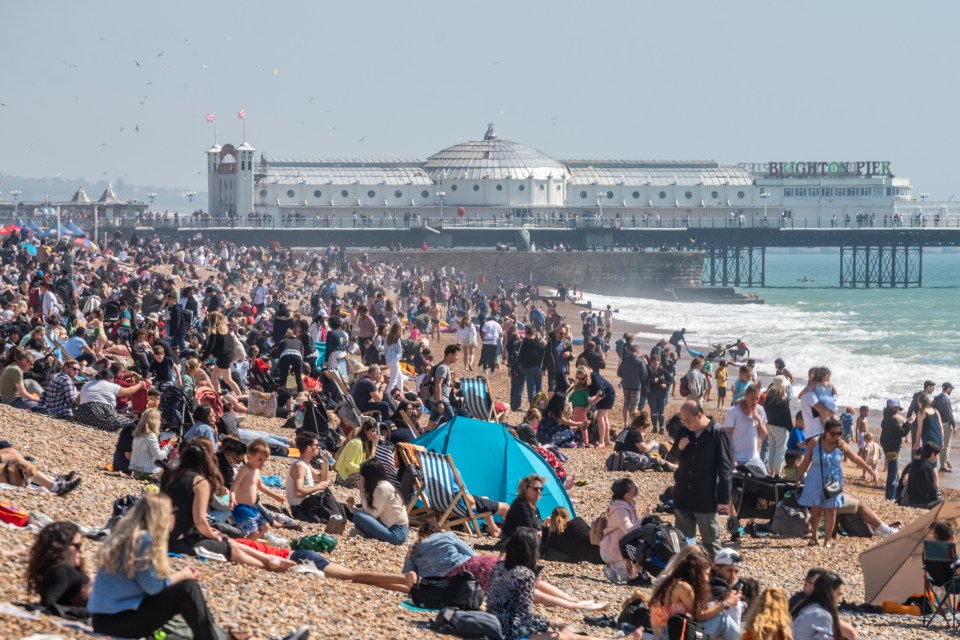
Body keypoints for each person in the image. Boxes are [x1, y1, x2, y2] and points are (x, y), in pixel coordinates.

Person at [486, 528, 640, 640]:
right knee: (563, 636)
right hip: (511, 634)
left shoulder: (499, 567)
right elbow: (526, 619)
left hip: (495, 626)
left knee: (566, 634)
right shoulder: (524, 575)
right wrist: (551, 623)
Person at [795, 418, 878, 547]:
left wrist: (870, 470)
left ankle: (827, 540)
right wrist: (798, 477)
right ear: (825, 431)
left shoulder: (841, 444)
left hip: (833, 482)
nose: (836, 436)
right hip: (815, 481)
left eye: (839, 433)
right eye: (833, 433)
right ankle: (814, 536)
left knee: (831, 511)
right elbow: (806, 462)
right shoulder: (815, 442)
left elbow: (855, 458)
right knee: (816, 513)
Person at [668, 401, 732, 559]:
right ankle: (687, 576)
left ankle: (716, 578)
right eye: (683, 420)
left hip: (706, 497)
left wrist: (723, 498)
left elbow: (725, 467)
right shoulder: (684, 431)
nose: (686, 424)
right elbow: (672, 457)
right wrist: (679, 448)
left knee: (711, 543)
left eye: (688, 420)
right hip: (683, 495)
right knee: (684, 543)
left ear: (700, 415)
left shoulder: (717, 433)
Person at [648, 545, 739, 640]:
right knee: (722, 619)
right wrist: (725, 603)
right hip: (672, 635)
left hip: (666, 634)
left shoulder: (673, 582)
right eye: (707, 574)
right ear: (696, 572)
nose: (708, 579)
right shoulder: (683, 587)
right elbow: (700, 615)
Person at [26, 521, 91, 610]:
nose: (82, 550)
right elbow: (47, 604)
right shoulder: (63, 570)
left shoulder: (53, 569)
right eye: (78, 545)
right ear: (62, 547)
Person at [231, 438, 286, 541]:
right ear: (249, 457)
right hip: (242, 507)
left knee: (265, 527)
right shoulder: (245, 470)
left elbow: (261, 487)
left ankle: (248, 544)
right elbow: (235, 484)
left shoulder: (257, 471)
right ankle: (244, 547)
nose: (263, 463)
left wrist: (276, 496)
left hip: (252, 507)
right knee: (254, 531)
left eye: (265, 460)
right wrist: (232, 497)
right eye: (260, 460)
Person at [346, 459, 409, 545]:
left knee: (358, 517)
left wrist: (362, 493)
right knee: (358, 517)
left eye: (362, 478)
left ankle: (364, 534)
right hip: (392, 528)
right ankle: (364, 534)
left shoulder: (382, 488)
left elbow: (371, 515)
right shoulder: (380, 486)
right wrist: (351, 508)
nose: (361, 480)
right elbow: (368, 512)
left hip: (396, 533)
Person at [286, 431, 336, 522]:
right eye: (316, 445)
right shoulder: (299, 466)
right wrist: (318, 486)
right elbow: (298, 492)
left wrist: (325, 461)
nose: (319, 447)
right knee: (329, 501)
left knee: (334, 503)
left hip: (306, 504)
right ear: (309, 448)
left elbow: (321, 479)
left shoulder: (305, 464)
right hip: (301, 508)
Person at [75, 368, 145, 432]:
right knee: (130, 423)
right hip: (101, 412)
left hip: (82, 415)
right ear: (109, 378)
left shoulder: (86, 384)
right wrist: (140, 384)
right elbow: (129, 391)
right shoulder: (111, 385)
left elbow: (77, 401)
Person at [599, 478, 640, 582]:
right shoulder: (620, 510)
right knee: (628, 578)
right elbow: (629, 530)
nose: (636, 490)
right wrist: (646, 517)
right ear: (626, 495)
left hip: (620, 548)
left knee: (632, 575)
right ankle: (611, 567)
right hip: (611, 550)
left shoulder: (628, 504)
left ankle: (615, 567)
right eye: (633, 489)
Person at [724, 384, 768, 473]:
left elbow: (763, 436)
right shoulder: (733, 411)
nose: (755, 401)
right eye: (752, 398)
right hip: (736, 457)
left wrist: (758, 419)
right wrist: (732, 458)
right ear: (746, 396)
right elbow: (726, 437)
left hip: (753, 457)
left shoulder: (760, 410)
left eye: (757, 398)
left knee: (764, 479)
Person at [790, 571, 847, 640]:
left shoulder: (805, 607)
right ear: (829, 593)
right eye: (839, 594)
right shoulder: (822, 615)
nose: (841, 600)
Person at [199, 311, 242, 396]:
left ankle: (240, 395)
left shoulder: (214, 332)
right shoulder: (225, 331)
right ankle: (217, 393)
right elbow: (230, 344)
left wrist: (202, 358)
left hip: (223, 358)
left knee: (228, 379)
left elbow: (210, 347)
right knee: (214, 375)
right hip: (227, 356)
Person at [129, 408, 177, 476]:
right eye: (159, 420)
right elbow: (159, 456)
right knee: (174, 470)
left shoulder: (138, 435)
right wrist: (169, 445)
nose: (160, 422)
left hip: (136, 471)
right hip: (146, 472)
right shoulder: (150, 436)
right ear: (154, 421)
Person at [500, 474, 546, 543]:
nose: (539, 491)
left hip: (527, 541)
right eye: (536, 489)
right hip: (514, 545)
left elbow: (538, 527)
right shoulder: (520, 505)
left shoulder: (533, 507)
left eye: (541, 489)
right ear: (525, 489)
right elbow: (530, 530)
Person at [879, 398, 909, 500]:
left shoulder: (886, 418)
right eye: (898, 409)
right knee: (893, 473)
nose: (899, 411)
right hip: (892, 449)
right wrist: (909, 423)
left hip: (888, 448)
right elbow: (903, 432)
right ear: (894, 408)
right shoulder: (892, 420)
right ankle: (891, 496)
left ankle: (890, 495)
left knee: (893, 472)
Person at [333, 419, 378, 487]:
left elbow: (369, 461)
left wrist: (374, 446)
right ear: (365, 431)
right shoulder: (357, 443)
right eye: (372, 431)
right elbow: (348, 464)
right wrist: (364, 469)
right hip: (345, 477)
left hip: (352, 475)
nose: (375, 434)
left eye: (375, 431)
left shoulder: (365, 444)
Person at [764, 375, 793, 476]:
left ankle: (771, 471)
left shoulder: (768, 398)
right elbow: (787, 416)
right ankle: (777, 472)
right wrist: (791, 429)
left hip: (770, 425)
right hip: (780, 428)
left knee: (772, 447)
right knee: (781, 449)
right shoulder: (783, 400)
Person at [426, 344, 460, 430]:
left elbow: (441, 384)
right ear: (450, 355)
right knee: (453, 423)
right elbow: (438, 384)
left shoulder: (444, 367)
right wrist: (440, 402)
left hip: (435, 400)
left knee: (431, 425)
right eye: (456, 355)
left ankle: (422, 441)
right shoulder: (443, 368)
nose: (457, 357)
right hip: (441, 400)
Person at [901, 442, 943, 509]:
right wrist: (936, 499)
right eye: (937, 455)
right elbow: (931, 489)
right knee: (943, 502)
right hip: (922, 503)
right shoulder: (928, 467)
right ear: (932, 454)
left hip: (911, 501)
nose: (937, 458)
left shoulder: (914, 464)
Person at [618, 344, 649, 424]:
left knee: (626, 404)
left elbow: (619, 373)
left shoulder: (625, 359)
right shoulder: (639, 361)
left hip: (626, 385)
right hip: (635, 386)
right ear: (637, 352)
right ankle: (633, 423)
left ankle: (625, 423)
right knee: (634, 405)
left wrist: (625, 377)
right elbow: (644, 375)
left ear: (630, 351)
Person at [542, 326, 574, 394]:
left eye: (564, 334)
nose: (563, 335)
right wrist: (543, 368)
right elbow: (545, 356)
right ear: (556, 332)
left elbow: (573, 355)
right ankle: (551, 403)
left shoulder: (567, 343)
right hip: (552, 370)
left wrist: (569, 353)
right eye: (561, 333)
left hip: (563, 371)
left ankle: (561, 404)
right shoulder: (550, 343)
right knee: (552, 388)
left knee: (562, 389)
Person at [275, 328, 305, 393]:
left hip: (285, 356)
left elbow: (279, 354)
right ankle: (302, 395)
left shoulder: (282, 341)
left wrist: (283, 367)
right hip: (297, 356)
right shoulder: (299, 341)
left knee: (283, 378)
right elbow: (302, 354)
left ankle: (281, 394)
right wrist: (296, 367)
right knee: (299, 379)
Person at [933, 382, 955, 471]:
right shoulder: (946, 399)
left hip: (937, 424)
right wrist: (954, 425)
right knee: (946, 445)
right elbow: (949, 413)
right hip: (945, 425)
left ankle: (944, 461)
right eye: (951, 389)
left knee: (940, 444)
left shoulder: (937, 398)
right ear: (948, 388)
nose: (952, 391)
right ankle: (943, 466)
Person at [383, 322, 405, 394]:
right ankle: (387, 394)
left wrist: (386, 358)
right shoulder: (397, 338)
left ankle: (400, 392)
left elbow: (385, 349)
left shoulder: (387, 337)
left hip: (389, 359)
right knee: (393, 379)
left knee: (399, 377)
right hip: (394, 359)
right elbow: (399, 350)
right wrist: (400, 357)